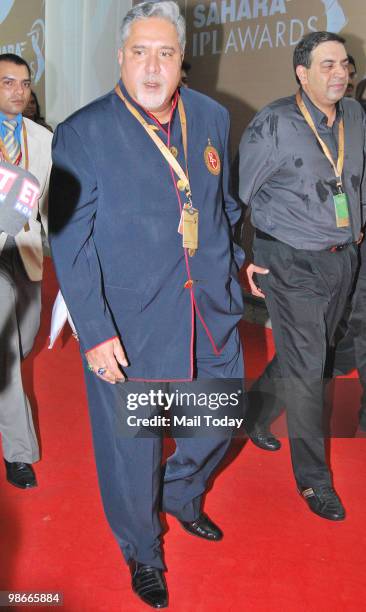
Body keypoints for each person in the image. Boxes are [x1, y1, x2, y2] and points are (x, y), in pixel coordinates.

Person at [49, 1, 245, 608]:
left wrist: (241, 263)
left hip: (209, 310)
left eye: (165, 53)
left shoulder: (211, 117)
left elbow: (221, 207)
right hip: (128, 324)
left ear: (182, 59)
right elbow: (68, 238)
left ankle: (181, 494)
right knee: (133, 449)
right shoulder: (84, 131)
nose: (153, 67)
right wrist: (96, 330)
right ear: (120, 58)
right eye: (140, 52)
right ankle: (142, 549)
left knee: (220, 414)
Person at [239, 32, 366, 522]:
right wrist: (244, 257)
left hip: (343, 257)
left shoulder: (355, 116)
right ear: (302, 73)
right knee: (310, 368)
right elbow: (237, 196)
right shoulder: (273, 123)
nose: (340, 73)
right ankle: (314, 482)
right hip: (289, 261)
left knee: (311, 354)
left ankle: (252, 413)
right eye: (327, 64)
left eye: (345, 64)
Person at [0, 53, 52, 489]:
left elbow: (50, 204)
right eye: (7, 82)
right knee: (9, 356)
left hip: (29, 251)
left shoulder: (42, 138)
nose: (18, 91)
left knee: (26, 337)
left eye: (24, 83)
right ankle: (18, 452)